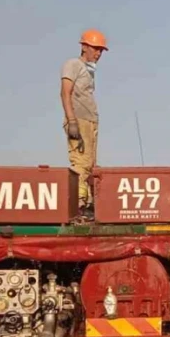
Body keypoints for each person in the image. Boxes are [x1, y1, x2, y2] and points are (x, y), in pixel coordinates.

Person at [60, 29, 108, 219]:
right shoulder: (73, 64)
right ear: (84, 46)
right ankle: (78, 205)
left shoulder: (88, 72)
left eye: (101, 51)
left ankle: (88, 204)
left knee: (91, 165)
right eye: (95, 49)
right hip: (78, 119)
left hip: (90, 120)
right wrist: (72, 121)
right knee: (81, 163)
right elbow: (65, 93)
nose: (98, 54)